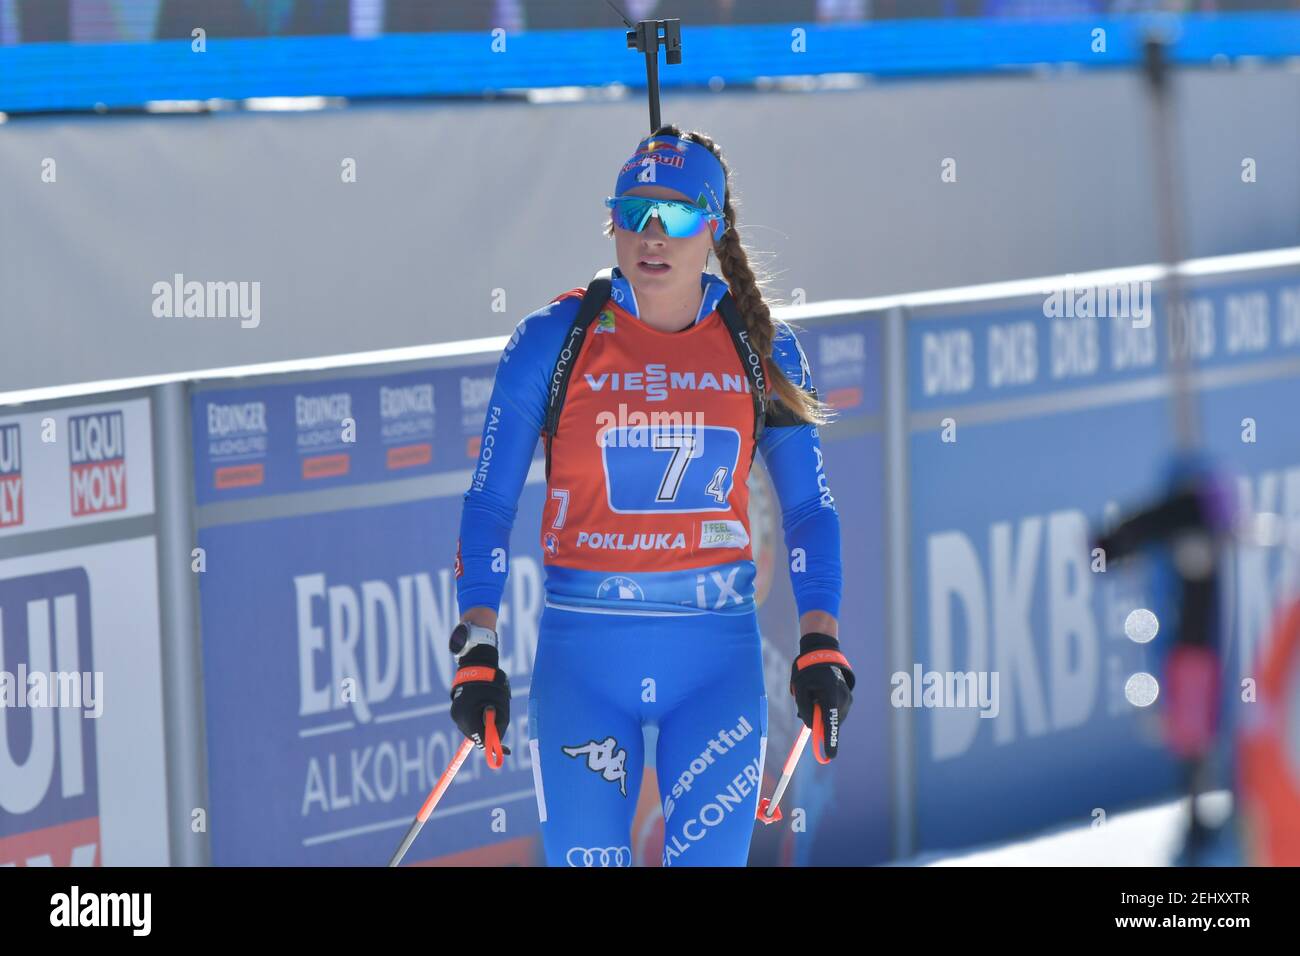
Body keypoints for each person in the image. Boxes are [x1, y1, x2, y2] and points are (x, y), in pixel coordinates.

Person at [448, 125, 855, 867]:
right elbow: (488, 505)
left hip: (714, 666)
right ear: (612, 223)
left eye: (674, 216)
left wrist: (820, 640)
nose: (651, 236)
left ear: (715, 227)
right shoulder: (552, 341)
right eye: (633, 213)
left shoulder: (760, 348)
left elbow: (808, 511)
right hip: (584, 663)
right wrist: (477, 643)